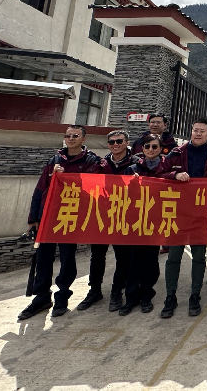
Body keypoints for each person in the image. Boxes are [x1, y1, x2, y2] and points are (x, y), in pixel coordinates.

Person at [18, 125, 101, 320]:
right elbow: (40, 189)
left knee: (67, 257)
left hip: (70, 216)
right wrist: (33, 218)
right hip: (48, 216)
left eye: (75, 136)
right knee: (43, 258)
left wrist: (67, 178)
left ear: (83, 138)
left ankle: (62, 296)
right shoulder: (54, 160)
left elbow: (94, 187)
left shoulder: (92, 161)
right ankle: (41, 297)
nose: (70, 139)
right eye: (67, 135)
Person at [158, 119, 207, 318]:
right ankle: (170, 296)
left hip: (201, 215)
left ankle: (195, 295)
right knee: (173, 257)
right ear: (191, 132)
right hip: (178, 213)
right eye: (195, 130)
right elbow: (160, 173)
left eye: (202, 131)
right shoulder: (176, 153)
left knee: (199, 257)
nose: (198, 134)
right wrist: (175, 175)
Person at [76, 130, 136, 313]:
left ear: (127, 142)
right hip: (102, 216)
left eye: (119, 141)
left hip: (124, 216)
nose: (115, 145)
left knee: (122, 257)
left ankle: (117, 291)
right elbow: (86, 182)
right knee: (97, 255)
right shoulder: (101, 164)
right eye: (111, 142)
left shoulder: (136, 163)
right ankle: (94, 290)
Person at [119, 134, 167, 315]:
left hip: (155, 221)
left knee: (151, 261)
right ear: (142, 149)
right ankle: (131, 297)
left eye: (155, 146)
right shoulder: (132, 169)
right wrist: (132, 185)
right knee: (132, 261)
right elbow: (121, 194)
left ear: (160, 149)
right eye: (147, 146)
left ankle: (147, 295)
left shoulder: (166, 169)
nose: (151, 150)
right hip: (135, 221)